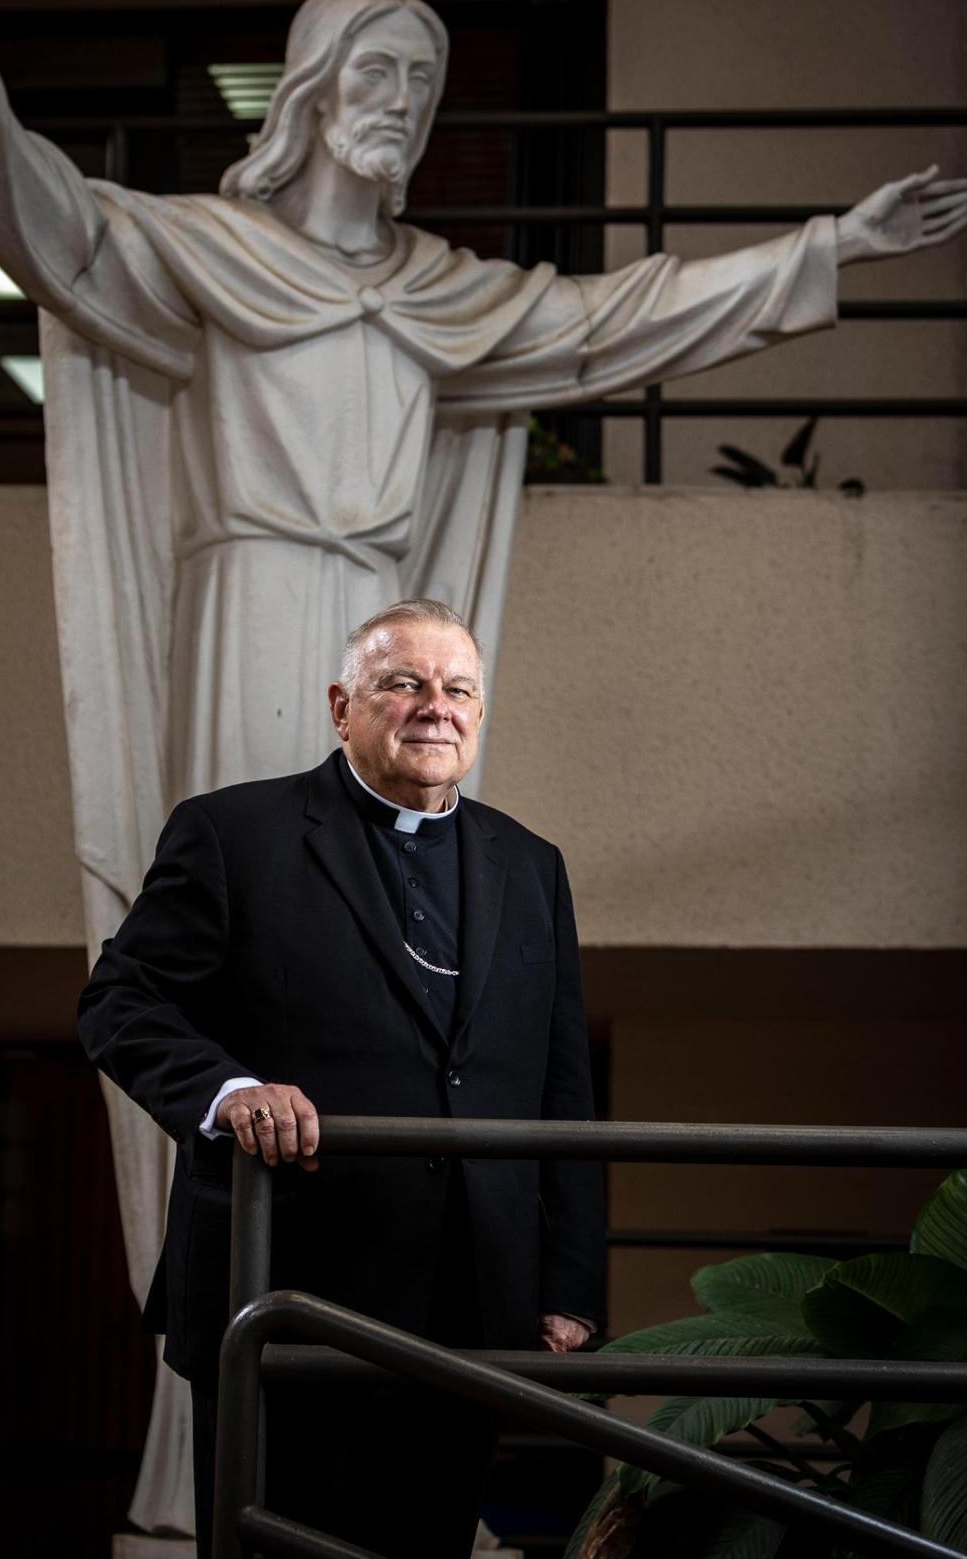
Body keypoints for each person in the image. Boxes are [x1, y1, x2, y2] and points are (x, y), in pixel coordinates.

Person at [0, 0, 967, 1533]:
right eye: (372, 72)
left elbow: (621, 315)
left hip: (390, 599)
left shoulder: (441, 296)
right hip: (253, 598)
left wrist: (833, 243)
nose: (398, 104)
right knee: (265, 915)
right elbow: (51, 218)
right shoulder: (211, 254)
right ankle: (208, 1429)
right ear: (308, 94)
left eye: (424, 83)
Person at [77, 598, 607, 1556]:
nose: (433, 707)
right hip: (286, 1285)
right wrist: (232, 1091)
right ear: (342, 705)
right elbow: (120, 1001)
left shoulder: (532, 865)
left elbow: (560, 1081)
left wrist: (567, 1277)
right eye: (402, 683)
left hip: (468, 1298)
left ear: (479, 715)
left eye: (457, 690)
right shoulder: (232, 833)